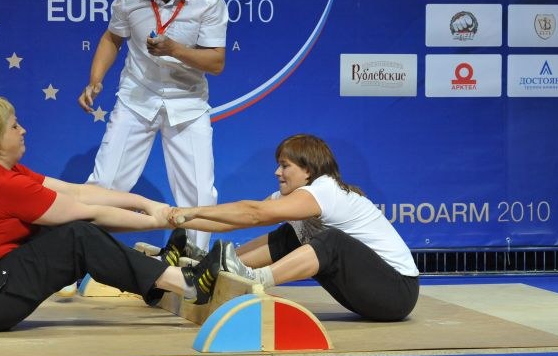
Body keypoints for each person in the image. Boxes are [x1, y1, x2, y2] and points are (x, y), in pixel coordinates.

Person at [0, 96, 222, 333]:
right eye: (14, 126)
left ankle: (160, 274)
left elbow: (76, 193)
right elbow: (90, 215)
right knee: (76, 235)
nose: (23, 130)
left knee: (56, 225)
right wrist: (157, 220)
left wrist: (147, 203)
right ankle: (186, 283)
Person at [78, 0, 228, 253]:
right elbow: (112, 37)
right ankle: (82, 256)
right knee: (104, 185)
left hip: (187, 103)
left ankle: (193, 262)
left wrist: (175, 50)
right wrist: (95, 79)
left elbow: (216, 62)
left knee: (200, 194)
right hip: (137, 97)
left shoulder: (208, 0)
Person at [164, 134, 420, 322]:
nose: (277, 172)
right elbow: (235, 220)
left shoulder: (325, 190)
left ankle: (256, 278)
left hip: (397, 293)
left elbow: (254, 214)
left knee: (330, 240)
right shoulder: (294, 198)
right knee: (291, 234)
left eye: (285, 165)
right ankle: (217, 265)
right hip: (367, 293)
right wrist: (172, 218)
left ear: (308, 170)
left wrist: (194, 210)